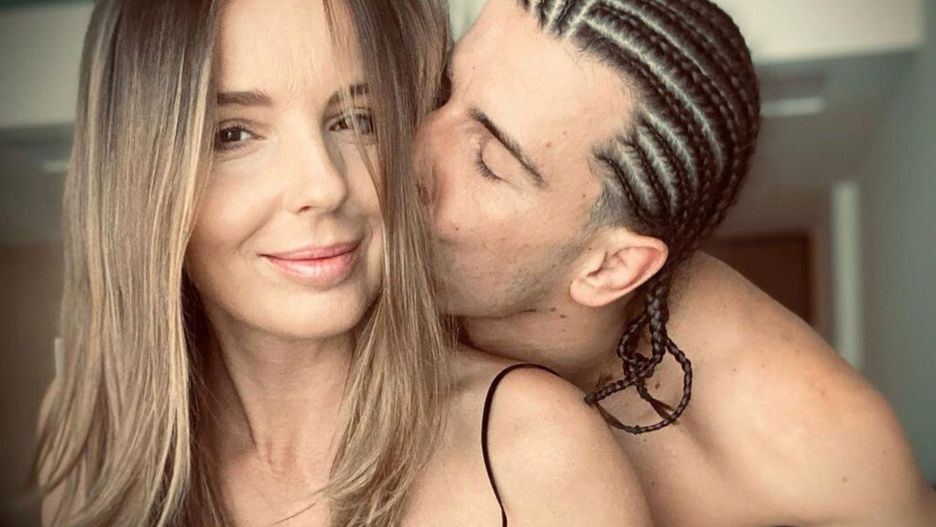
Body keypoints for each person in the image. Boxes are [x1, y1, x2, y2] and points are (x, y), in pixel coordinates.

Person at [34, 0, 651, 525]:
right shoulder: (88, 437)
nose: (324, 185)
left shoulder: (532, 450)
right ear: (138, 180)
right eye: (233, 134)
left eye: (358, 120)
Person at [417, 0, 936, 525]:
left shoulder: (818, 448)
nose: (406, 151)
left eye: (488, 162)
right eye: (441, 90)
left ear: (610, 268)